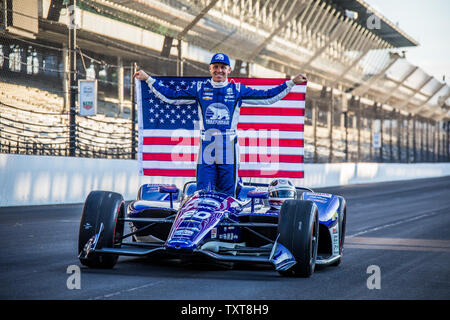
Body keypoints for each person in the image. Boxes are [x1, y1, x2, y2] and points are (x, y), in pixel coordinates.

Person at [133, 53, 307, 197]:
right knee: (203, 192)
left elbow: (267, 96)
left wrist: (291, 83)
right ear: (210, 69)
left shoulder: (237, 89)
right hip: (207, 145)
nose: (219, 70)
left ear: (229, 70)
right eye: (215, 67)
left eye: (223, 67)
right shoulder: (200, 88)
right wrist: (148, 79)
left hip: (228, 146)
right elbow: (171, 96)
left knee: (228, 193)